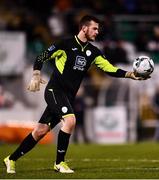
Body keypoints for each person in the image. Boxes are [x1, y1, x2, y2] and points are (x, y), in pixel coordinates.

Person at [3, 15, 148, 174]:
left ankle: (11, 159)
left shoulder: (94, 52)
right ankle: (60, 163)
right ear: (84, 28)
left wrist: (131, 75)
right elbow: (42, 56)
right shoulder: (64, 44)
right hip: (54, 91)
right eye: (94, 28)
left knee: (40, 131)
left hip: (68, 97)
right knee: (70, 120)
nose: (97, 32)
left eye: (98, 29)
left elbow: (110, 69)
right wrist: (36, 74)